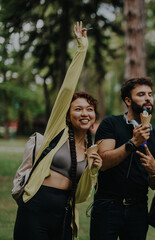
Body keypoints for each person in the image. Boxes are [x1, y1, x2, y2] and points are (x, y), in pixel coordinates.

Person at [14, 22, 102, 239]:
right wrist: (82, 49)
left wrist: (92, 170)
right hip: (36, 206)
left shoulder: (91, 149)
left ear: (94, 116)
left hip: (64, 212)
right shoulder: (58, 131)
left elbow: (80, 196)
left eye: (89, 109)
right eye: (78, 109)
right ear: (67, 114)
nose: (84, 113)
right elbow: (67, 89)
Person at [90, 77, 155, 240]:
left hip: (137, 209)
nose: (148, 98)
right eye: (141, 94)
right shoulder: (111, 124)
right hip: (107, 205)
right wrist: (132, 143)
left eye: (150, 94)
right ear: (128, 100)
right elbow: (103, 163)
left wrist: (153, 171)